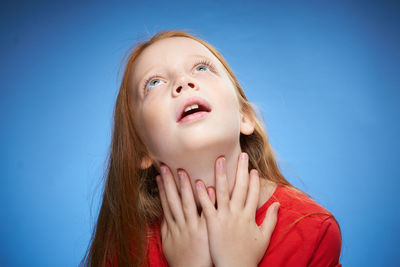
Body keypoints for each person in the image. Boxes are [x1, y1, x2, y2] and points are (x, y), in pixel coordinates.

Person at [81, 30, 342, 267]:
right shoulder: (127, 246)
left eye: (201, 68)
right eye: (154, 83)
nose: (183, 82)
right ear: (141, 149)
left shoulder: (312, 230)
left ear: (245, 117)